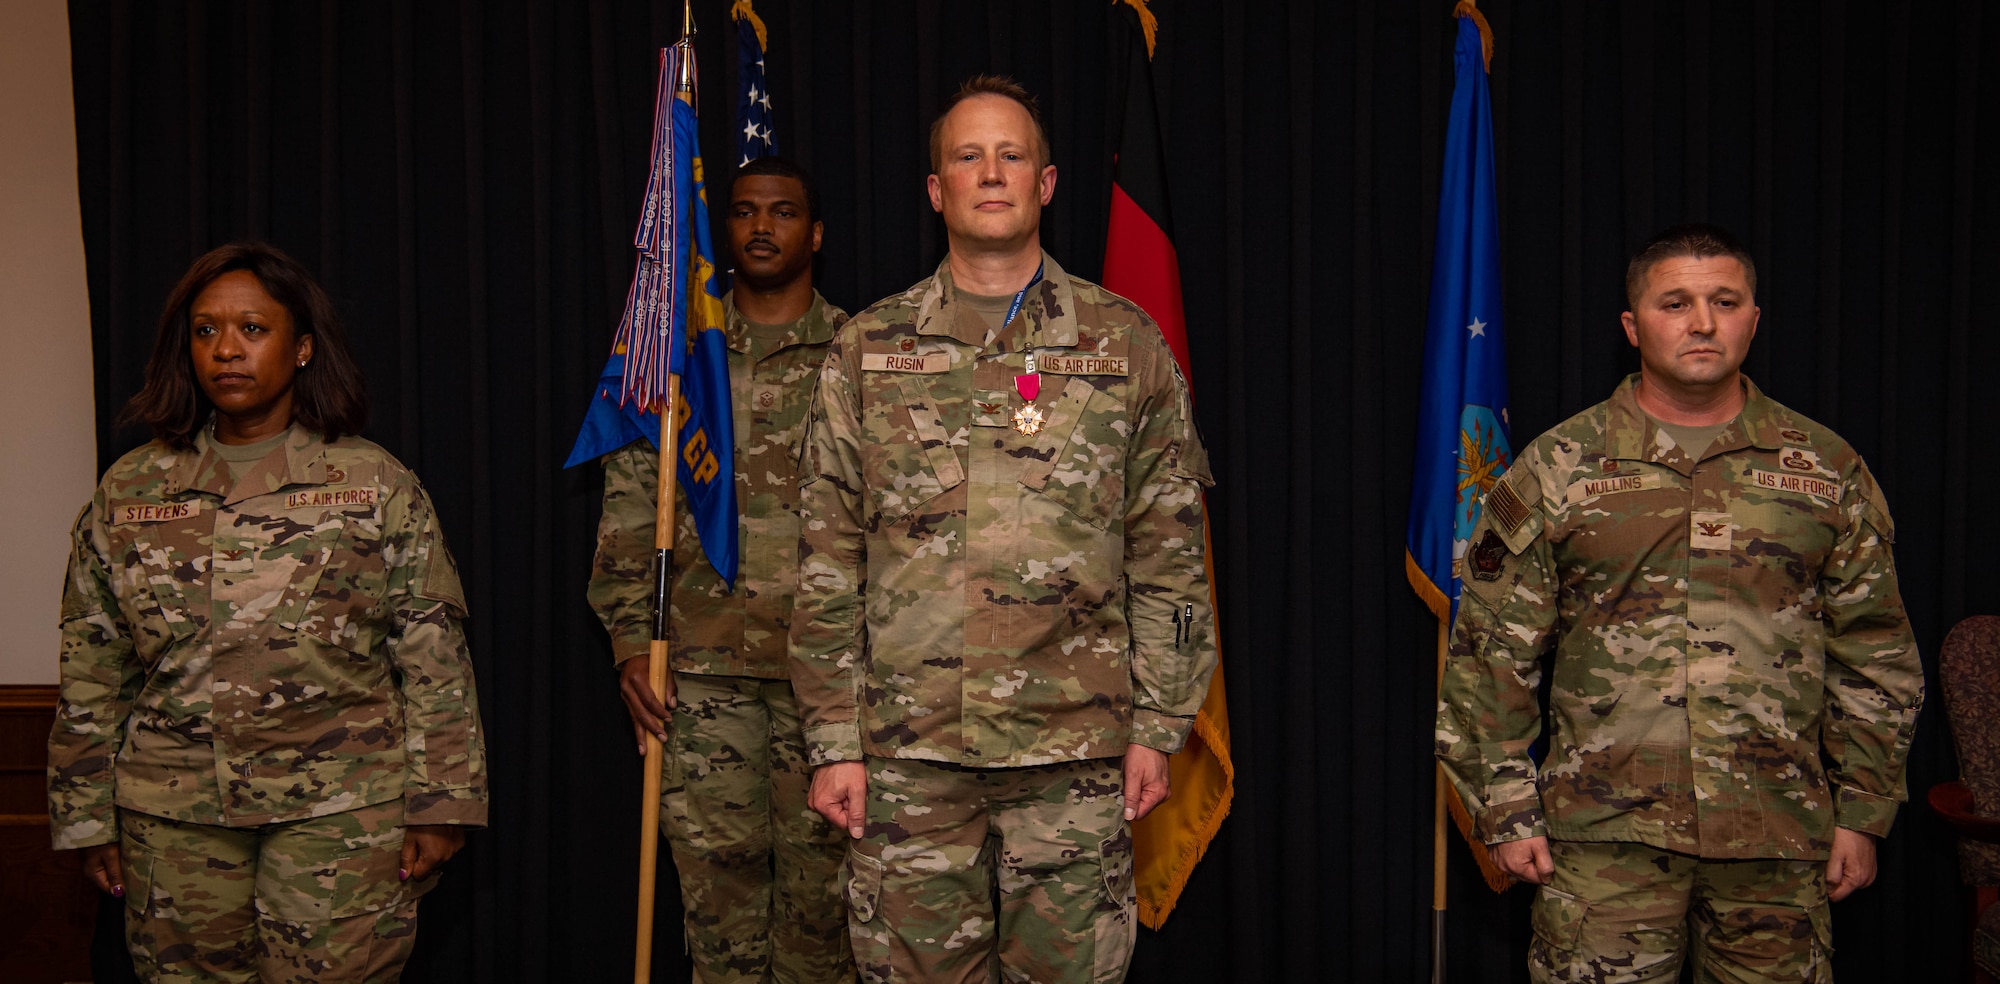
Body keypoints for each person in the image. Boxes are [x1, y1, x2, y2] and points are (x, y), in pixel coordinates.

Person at [789, 76, 1217, 984]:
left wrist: (1162, 723)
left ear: (1047, 183)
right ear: (937, 189)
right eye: (968, 156)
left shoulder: (1127, 344)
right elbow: (827, 562)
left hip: (1076, 758)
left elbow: (1170, 555)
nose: (992, 173)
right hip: (907, 762)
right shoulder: (866, 351)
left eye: (1012, 154)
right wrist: (831, 742)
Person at [1435, 223, 1924, 982]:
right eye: (1676, 303)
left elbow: (1876, 653)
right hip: (1604, 844)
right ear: (1634, 326)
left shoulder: (1825, 468)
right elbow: (1491, 652)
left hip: (1778, 840)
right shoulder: (1559, 466)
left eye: (1725, 301)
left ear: (1754, 318)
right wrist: (1503, 806)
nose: (1702, 322)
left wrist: (1864, 812)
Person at [48, 241, 487, 982]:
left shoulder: (372, 482)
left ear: (303, 348)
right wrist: (86, 814)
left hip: (340, 812)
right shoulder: (131, 490)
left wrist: (443, 802)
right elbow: (94, 659)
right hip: (174, 814)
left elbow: (432, 652)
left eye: (253, 329)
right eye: (206, 330)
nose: (227, 349)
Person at [590, 156, 854, 983]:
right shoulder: (675, 362)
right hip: (699, 678)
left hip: (831, 684)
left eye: (783, 212)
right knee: (720, 910)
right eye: (744, 211)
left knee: (826, 916)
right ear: (722, 233)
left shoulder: (864, 355)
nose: (762, 227)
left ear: (814, 234)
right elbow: (632, 505)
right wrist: (634, 642)